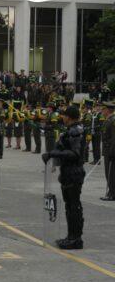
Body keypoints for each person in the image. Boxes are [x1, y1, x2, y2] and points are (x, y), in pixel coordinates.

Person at [43, 106, 86, 250]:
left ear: (70, 116)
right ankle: (71, 236)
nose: (62, 117)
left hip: (73, 172)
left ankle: (76, 238)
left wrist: (54, 154)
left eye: (64, 115)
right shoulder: (71, 130)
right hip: (67, 171)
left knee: (74, 206)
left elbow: (75, 154)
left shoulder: (75, 131)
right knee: (70, 206)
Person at [101, 102, 115, 201]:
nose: (102, 111)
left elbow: (114, 138)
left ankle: (112, 194)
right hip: (107, 149)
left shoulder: (113, 120)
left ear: (108, 110)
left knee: (111, 173)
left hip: (111, 150)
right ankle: (111, 191)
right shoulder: (107, 120)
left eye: (103, 109)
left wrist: (112, 151)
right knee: (108, 172)